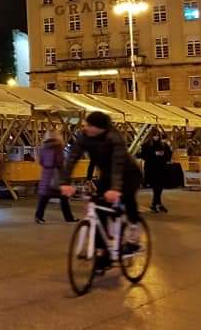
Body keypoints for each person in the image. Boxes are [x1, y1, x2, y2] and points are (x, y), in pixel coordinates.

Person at [60, 111, 143, 272]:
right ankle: (102, 253)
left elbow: (117, 164)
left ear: (100, 128)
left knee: (127, 199)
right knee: (99, 212)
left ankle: (133, 230)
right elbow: (72, 158)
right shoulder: (84, 137)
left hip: (128, 174)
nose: (86, 127)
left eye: (90, 125)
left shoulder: (114, 137)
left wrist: (115, 189)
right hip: (106, 175)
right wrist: (65, 182)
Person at [35, 131, 75, 224]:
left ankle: (38, 216)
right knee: (64, 197)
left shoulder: (43, 148)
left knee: (44, 197)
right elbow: (59, 162)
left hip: (46, 174)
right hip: (56, 175)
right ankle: (69, 218)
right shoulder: (58, 148)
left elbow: (40, 161)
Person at [139, 131, 172, 213]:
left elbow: (168, 155)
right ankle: (156, 203)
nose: (156, 137)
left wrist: (163, 154)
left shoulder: (163, 145)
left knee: (159, 187)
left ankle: (156, 203)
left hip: (161, 168)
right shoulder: (147, 145)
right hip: (152, 169)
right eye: (155, 135)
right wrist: (154, 154)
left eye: (158, 135)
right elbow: (143, 156)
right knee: (156, 186)